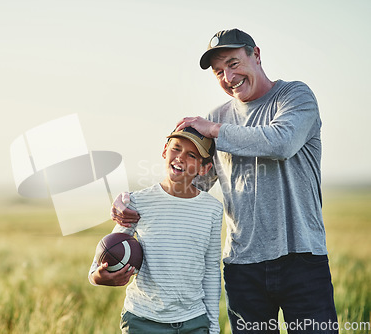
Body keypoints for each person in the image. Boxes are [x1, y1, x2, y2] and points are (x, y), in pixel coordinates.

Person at [112, 29, 338, 333]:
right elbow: (191, 186)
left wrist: (213, 129)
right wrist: (130, 202)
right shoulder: (217, 117)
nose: (228, 77)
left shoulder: (294, 96)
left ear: (256, 55)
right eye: (219, 71)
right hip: (243, 269)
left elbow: (281, 143)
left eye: (234, 64)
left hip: (302, 259)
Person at [89, 127, 223, 334]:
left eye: (192, 155)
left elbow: (211, 268)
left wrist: (213, 326)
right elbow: (110, 247)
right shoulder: (137, 202)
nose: (180, 157)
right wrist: (97, 276)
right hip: (143, 321)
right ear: (164, 151)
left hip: (194, 322)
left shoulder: (212, 209)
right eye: (176, 149)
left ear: (204, 168)